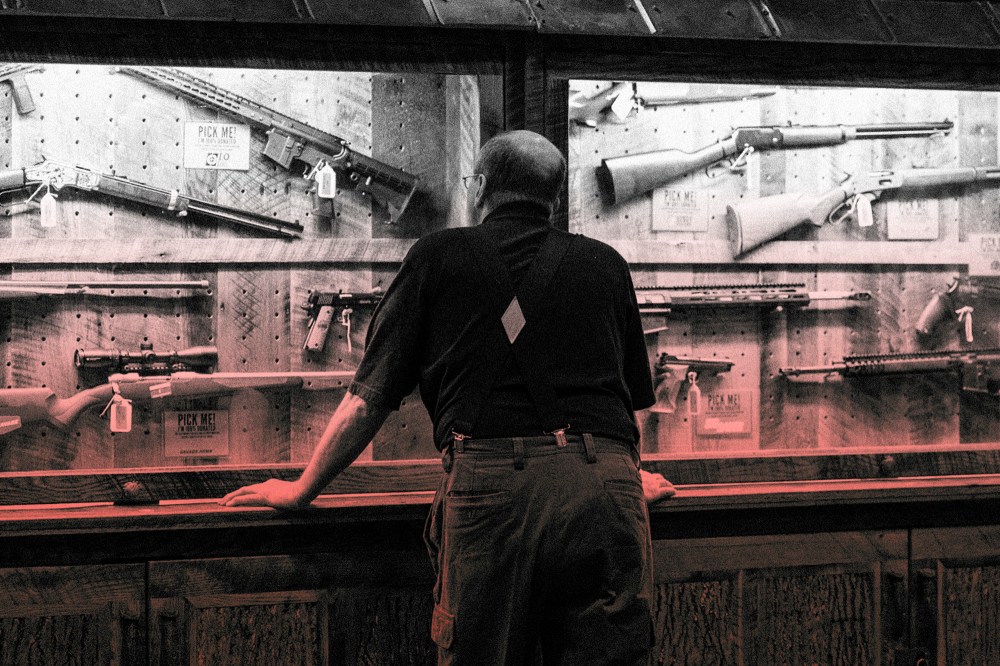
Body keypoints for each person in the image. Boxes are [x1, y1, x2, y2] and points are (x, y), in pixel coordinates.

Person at [220, 129, 676, 665]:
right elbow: (627, 407)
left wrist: (300, 491)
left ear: (479, 186)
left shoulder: (437, 257)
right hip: (608, 491)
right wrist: (620, 478)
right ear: (554, 197)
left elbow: (368, 401)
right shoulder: (606, 264)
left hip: (492, 494)